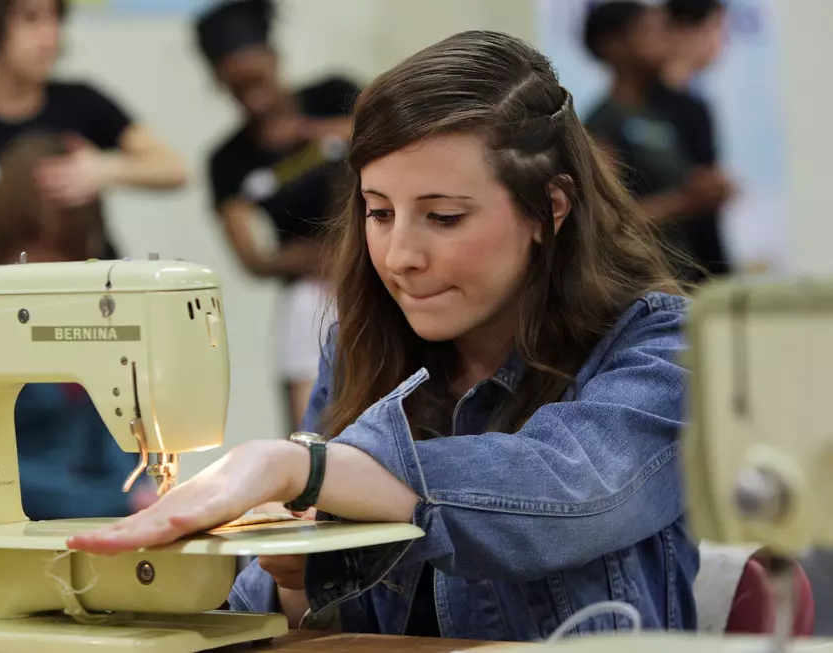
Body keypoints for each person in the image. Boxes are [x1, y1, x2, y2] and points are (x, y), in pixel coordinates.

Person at [68, 30, 699, 641]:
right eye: (379, 212)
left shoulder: (659, 346)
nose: (399, 256)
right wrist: (293, 576)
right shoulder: (358, 349)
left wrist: (307, 468)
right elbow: (285, 617)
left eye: (443, 217)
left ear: (549, 208)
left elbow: (569, 492)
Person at [0, 0, 187, 270]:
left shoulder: (83, 102)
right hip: (6, 296)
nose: (50, 36)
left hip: (98, 289)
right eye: (31, 18)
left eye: (56, 18)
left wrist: (103, 169)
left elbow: (175, 169)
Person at [0, 132, 157, 520]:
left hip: (91, 510)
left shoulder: (97, 311)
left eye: (69, 252)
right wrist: (122, 501)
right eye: (42, 251)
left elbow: (122, 437)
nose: (57, 268)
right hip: (20, 521)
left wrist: (143, 489)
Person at [194, 0, 361, 429]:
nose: (252, 97)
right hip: (311, 287)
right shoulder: (227, 160)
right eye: (237, 88)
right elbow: (251, 256)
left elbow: (393, 133)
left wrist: (307, 132)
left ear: (275, 58)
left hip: (373, 264)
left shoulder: (333, 94)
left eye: (257, 80)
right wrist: (314, 257)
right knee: (314, 413)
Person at [582, 1, 733, 282]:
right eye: (650, 31)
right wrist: (684, 201)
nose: (665, 39)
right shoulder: (603, 123)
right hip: (647, 285)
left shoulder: (676, 111)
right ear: (614, 45)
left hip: (692, 274)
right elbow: (606, 221)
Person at [661, 0, 732, 278]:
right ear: (686, 30)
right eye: (718, 29)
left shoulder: (695, 104)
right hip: (671, 266)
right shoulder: (644, 107)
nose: (722, 42)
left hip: (702, 257)